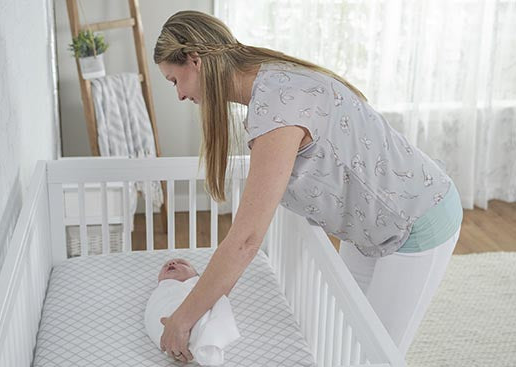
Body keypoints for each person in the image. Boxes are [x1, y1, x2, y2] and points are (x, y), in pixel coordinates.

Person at [153, 10, 464, 363]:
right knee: (344, 337)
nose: (178, 95)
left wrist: (184, 316)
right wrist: (201, 290)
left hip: (416, 219)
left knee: (373, 356)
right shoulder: (269, 84)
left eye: (173, 80)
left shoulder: (275, 111)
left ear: (195, 60)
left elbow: (245, 240)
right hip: (369, 226)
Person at [145, 258, 240, 365]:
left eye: (182, 263)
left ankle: (204, 342)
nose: (171, 263)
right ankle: (196, 344)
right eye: (165, 266)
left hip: (194, 314)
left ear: (196, 276)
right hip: (167, 318)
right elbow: (154, 311)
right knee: (162, 320)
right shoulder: (161, 291)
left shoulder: (199, 284)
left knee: (216, 306)